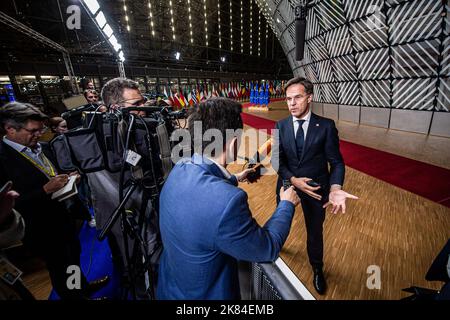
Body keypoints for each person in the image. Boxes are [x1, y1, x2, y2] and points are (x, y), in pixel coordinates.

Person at [156, 97, 300, 300]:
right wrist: (286, 204)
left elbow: (202, 192)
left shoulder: (179, 168)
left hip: (170, 289)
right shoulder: (229, 201)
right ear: (233, 144)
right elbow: (267, 248)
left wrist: (234, 178)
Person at [0, 102, 108, 299]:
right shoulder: (2, 159)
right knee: (61, 267)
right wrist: (44, 190)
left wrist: (69, 176)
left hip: (65, 218)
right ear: (10, 129)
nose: (39, 135)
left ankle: (81, 287)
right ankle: (76, 296)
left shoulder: (43, 146)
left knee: (73, 260)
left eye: (41, 130)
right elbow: (9, 206)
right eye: (32, 131)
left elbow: (53, 172)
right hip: (41, 229)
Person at [272, 77, 358, 295]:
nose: (292, 103)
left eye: (297, 97)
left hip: (316, 188)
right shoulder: (279, 125)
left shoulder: (326, 126)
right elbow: (276, 161)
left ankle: (317, 268)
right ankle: (275, 246)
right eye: (288, 99)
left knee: (315, 232)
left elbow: (336, 162)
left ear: (310, 97)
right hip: (287, 182)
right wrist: (292, 180)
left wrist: (335, 188)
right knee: (280, 219)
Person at [86, 77, 159, 299]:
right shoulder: (98, 137)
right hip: (122, 214)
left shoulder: (132, 127)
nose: (144, 108)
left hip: (141, 208)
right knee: (130, 261)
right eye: (136, 105)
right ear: (116, 107)